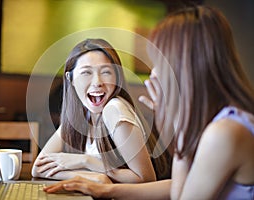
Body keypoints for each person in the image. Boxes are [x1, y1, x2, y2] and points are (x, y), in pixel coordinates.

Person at [43, 5, 254, 199]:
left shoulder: (225, 133)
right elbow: (178, 187)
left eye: (162, 61)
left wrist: (177, 127)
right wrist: (106, 188)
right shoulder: (221, 121)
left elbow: (182, 196)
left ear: (189, 66)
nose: (154, 72)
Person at [31, 38, 170, 183]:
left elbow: (146, 179)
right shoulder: (81, 114)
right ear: (70, 78)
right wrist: (96, 178)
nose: (97, 82)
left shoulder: (115, 109)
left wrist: (86, 161)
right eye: (86, 73)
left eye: (106, 72)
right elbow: (39, 167)